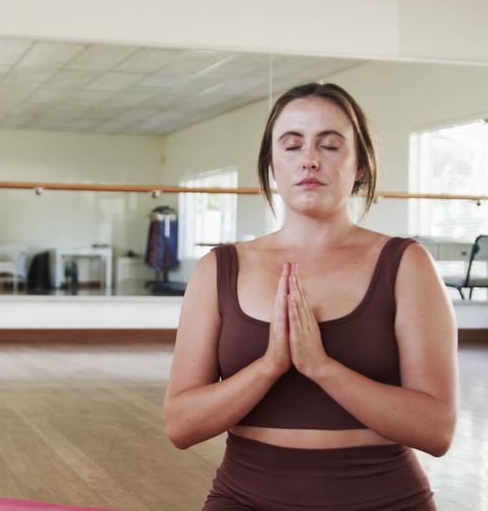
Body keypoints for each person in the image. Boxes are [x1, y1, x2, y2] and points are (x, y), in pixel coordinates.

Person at [164, 82, 457, 510]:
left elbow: (437, 430)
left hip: (386, 499)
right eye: (292, 145)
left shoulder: (406, 264)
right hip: (246, 499)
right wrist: (269, 366)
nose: (310, 159)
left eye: (331, 145)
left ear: (359, 165)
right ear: (272, 165)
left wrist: (321, 367)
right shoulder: (218, 268)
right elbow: (180, 425)